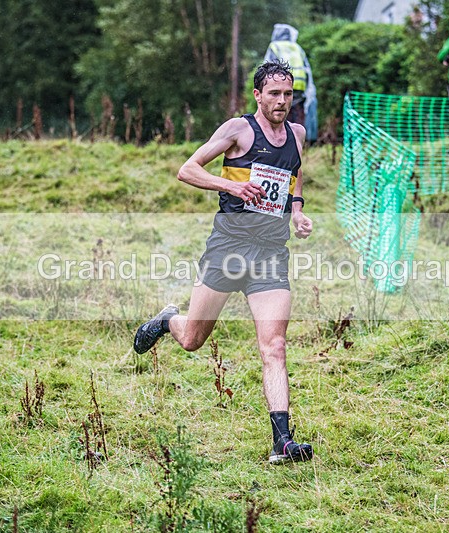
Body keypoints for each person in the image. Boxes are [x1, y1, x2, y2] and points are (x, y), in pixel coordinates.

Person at [133, 59, 315, 465]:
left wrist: (298, 210)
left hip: (270, 254)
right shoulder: (238, 130)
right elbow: (187, 169)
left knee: (275, 345)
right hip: (229, 248)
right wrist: (231, 185)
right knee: (193, 339)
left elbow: (295, 173)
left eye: (288, 94)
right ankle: (168, 320)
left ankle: (282, 442)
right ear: (258, 95)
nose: (282, 101)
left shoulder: (297, 134)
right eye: (274, 94)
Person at [264, 24, 317, 142]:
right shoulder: (297, 47)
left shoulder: (275, 46)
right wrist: (309, 89)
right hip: (300, 86)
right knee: (297, 113)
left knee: (282, 112)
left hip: (282, 86)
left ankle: (282, 141)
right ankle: (297, 141)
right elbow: (307, 69)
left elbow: (268, 68)